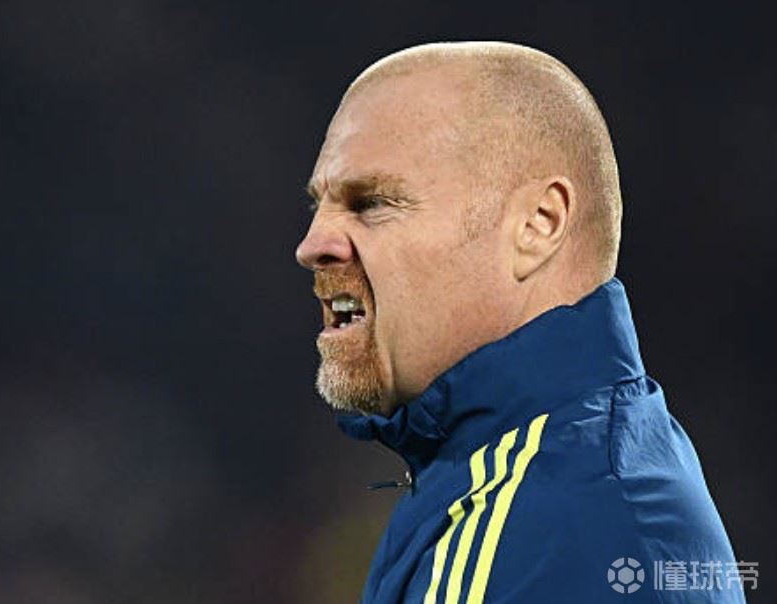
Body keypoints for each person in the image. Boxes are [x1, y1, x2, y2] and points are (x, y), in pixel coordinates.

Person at [295, 42, 745, 603]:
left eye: (372, 203)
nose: (313, 245)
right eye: (318, 206)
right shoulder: (521, 479)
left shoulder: (566, 529)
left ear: (538, 225)